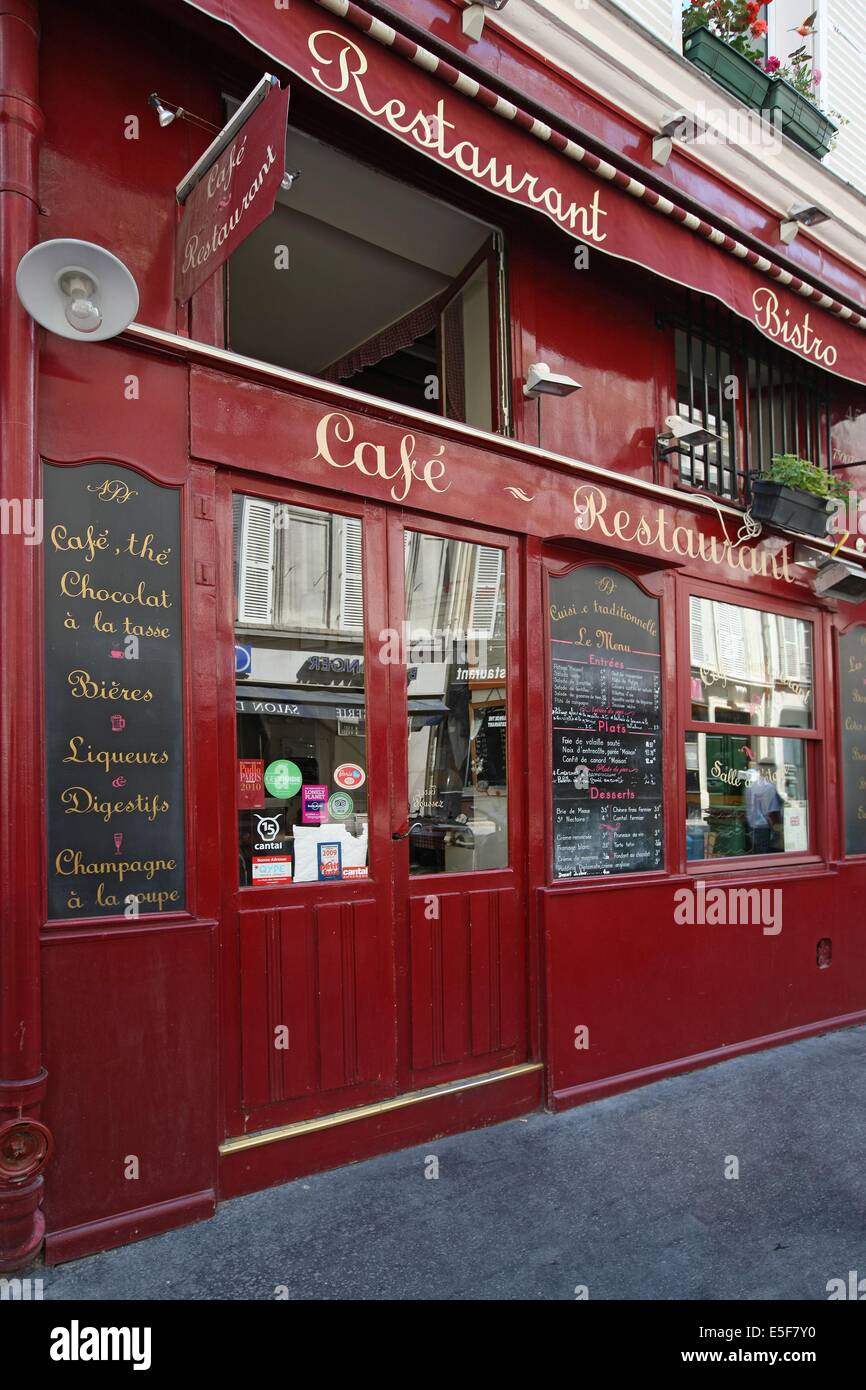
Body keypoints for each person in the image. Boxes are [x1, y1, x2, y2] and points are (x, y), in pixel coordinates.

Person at [745, 758, 784, 854]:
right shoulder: (769, 787)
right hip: (764, 829)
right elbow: (772, 813)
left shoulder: (752, 786)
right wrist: (779, 831)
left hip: (752, 827)